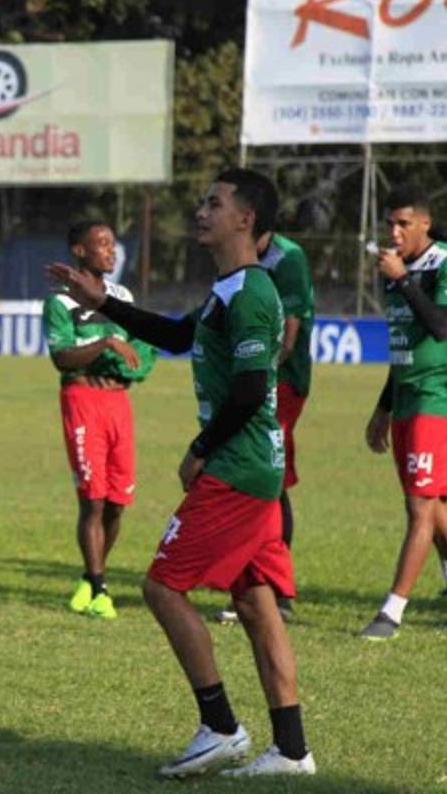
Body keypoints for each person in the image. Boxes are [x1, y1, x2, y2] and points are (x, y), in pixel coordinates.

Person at [48, 168, 316, 778]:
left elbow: (250, 387)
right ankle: (293, 750)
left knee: (162, 587)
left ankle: (221, 726)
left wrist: (200, 447)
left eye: (213, 203)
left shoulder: (251, 292)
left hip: (238, 469)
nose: (201, 210)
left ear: (245, 219)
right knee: (254, 601)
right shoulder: (228, 289)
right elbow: (175, 334)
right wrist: (104, 302)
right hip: (254, 470)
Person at [43, 219, 156, 620]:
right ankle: (98, 585)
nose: (112, 251)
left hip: (118, 403)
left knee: (116, 503)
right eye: (103, 244)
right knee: (91, 498)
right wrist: (105, 344)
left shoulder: (122, 295)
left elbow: (139, 347)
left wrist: (135, 361)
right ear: (79, 250)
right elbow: (61, 357)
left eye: (114, 244)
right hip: (82, 399)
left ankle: (92, 578)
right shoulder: (61, 301)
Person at [360, 185, 447, 640]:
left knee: (421, 505)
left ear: (425, 224)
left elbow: (440, 326)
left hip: (440, 398)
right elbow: (404, 348)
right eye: (389, 224)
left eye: (403, 224)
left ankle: (391, 612)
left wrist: (403, 280)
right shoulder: (393, 272)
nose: (393, 233)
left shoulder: (443, 263)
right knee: (430, 505)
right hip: (408, 398)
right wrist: (383, 407)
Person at [216, 230, 314, 624]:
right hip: (257, 382)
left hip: (281, 382)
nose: (204, 215)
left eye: (214, 204)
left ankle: (271, 590)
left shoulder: (288, 258)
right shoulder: (234, 265)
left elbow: (288, 334)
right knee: (264, 480)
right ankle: (261, 586)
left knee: (268, 479)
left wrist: (257, 380)